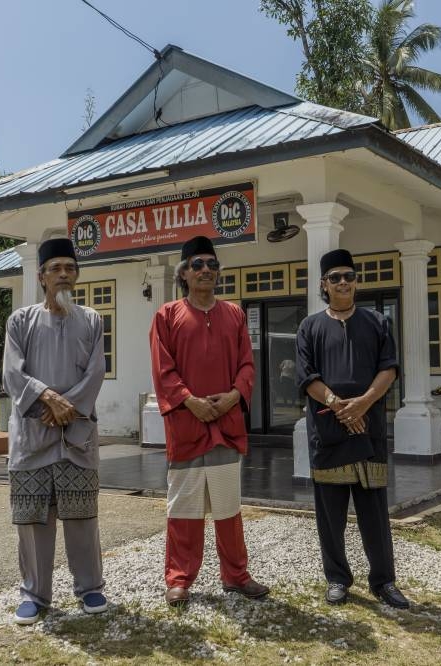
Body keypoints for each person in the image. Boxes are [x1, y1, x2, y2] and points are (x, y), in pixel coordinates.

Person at [149, 235, 270, 606]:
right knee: (183, 508)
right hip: (186, 427)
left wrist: (234, 395)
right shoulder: (166, 315)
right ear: (184, 273)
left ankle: (236, 575)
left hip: (225, 424)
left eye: (212, 265)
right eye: (197, 264)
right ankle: (179, 578)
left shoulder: (234, 314)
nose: (205, 271)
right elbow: (162, 370)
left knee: (228, 506)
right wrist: (189, 402)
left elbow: (247, 364)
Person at [295, 248, 410, 609]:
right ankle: (337, 579)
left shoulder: (377, 322)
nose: (342, 282)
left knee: (374, 511)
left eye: (349, 276)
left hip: (369, 430)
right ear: (323, 284)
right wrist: (338, 405)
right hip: (329, 433)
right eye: (335, 277)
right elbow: (306, 377)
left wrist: (363, 403)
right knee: (330, 515)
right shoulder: (309, 327)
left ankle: (384, 581)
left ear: (356, 281)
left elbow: (388, 369)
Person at [1, 238, 108, 624]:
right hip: (33, 435)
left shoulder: (92, 320)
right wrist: (47, 397)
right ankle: (34, 593)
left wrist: (68, 407)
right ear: (42, 276)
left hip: (76, 434)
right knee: (33, 519)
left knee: (82, 516)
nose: (64, 274)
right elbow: (12, 372)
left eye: (70, 268)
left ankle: (91, 588)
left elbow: (97, 371)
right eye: (56, 268)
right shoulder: (20, 321)